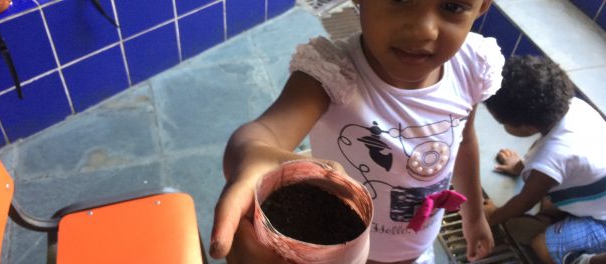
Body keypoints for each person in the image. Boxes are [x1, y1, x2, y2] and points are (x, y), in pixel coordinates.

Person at [211, 0, 503, 263]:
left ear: (482, 6)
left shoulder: (471, 67)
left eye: (452, 6)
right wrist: (252, 153)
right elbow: (263, 134)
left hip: (419, 242)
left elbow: (464, 141)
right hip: (348, 251)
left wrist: (474, 216)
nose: (423, 30)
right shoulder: (332, 74)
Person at [483, 55, 606, 264]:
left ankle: (578, 258)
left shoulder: (551, 160)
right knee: (548, 203)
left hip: (602, 223)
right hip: (598, 195)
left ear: (526, 127)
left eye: (503, 123)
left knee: (541, 245)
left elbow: (525, 201)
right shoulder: (574, 107)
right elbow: (544, 143)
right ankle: (561, 220)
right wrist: (519, 167)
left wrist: (493, 216)